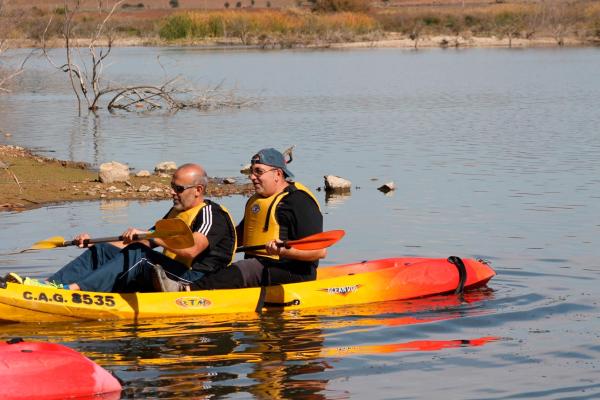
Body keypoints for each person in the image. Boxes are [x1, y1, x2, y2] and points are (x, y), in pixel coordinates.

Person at [9, 163, 237, 293]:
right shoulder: (176, 212)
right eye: (171, 187)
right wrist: (95, 244)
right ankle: (49, 286)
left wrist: (152, 238)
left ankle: (73, 290)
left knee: (139, 255)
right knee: (106, 251)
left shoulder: (211, 215)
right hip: (171, 272)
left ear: (198, 190)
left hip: (195, 279)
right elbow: (145, 240)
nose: (172, 192)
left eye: (178, 188)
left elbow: (191, 250)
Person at [152, 148, 325, 292]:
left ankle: (185, 291)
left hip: (293, 272)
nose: (252, 176)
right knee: (234, 268)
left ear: (278, 174)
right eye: (251, 171)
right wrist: (213, 246)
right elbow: (239, 236)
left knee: (245, 268)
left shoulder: (299, 202)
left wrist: (284, 251)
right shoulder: (257, 200)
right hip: (259, 266)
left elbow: (319, 252)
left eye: (258, 171)